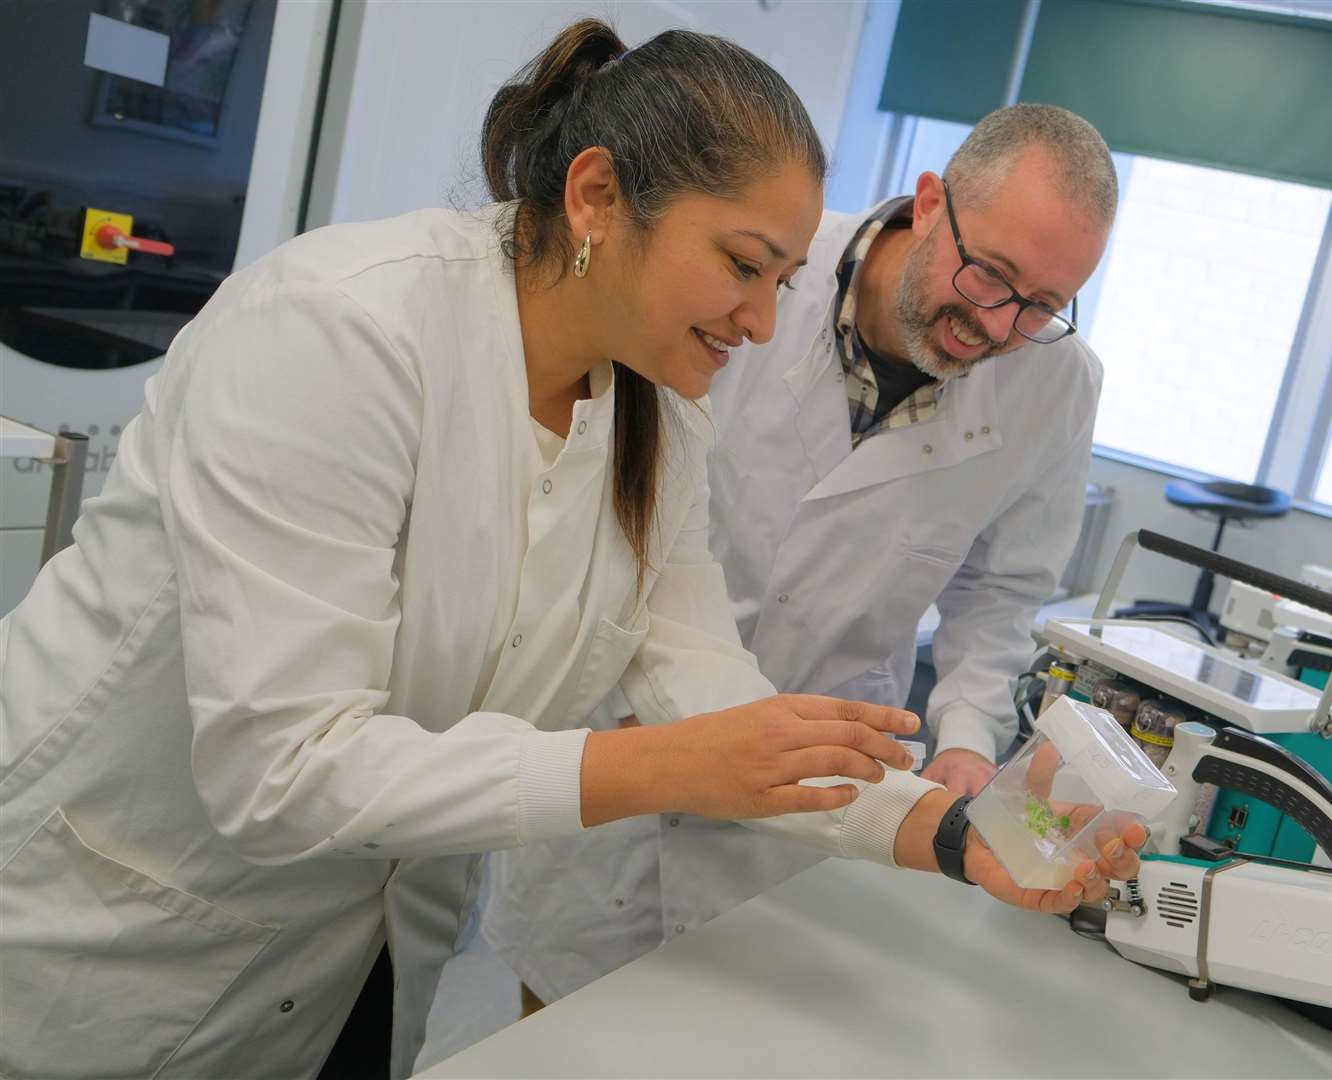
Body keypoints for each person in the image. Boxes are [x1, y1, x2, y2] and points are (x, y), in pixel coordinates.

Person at [0, 20, 1140, 1077]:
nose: (760, 322)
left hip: (350, 962)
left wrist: (953, 832)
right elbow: (281, 772)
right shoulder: (339, 334)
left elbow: (713, 699)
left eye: (782, 282)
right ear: (596, 195)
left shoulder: (656, 417)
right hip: (109, 936)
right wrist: (659, 766)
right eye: (742, 267)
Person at [481, 105, 1128, 1012]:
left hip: (826, 788)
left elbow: (1002, 591)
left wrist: (968, 743)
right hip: (624, 729)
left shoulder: (1055, 383)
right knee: (554, 1025)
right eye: (990, 275)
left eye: (1042, 306)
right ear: (930, 202)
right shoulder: (754, 274)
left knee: (741, 1033)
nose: (996, 325)